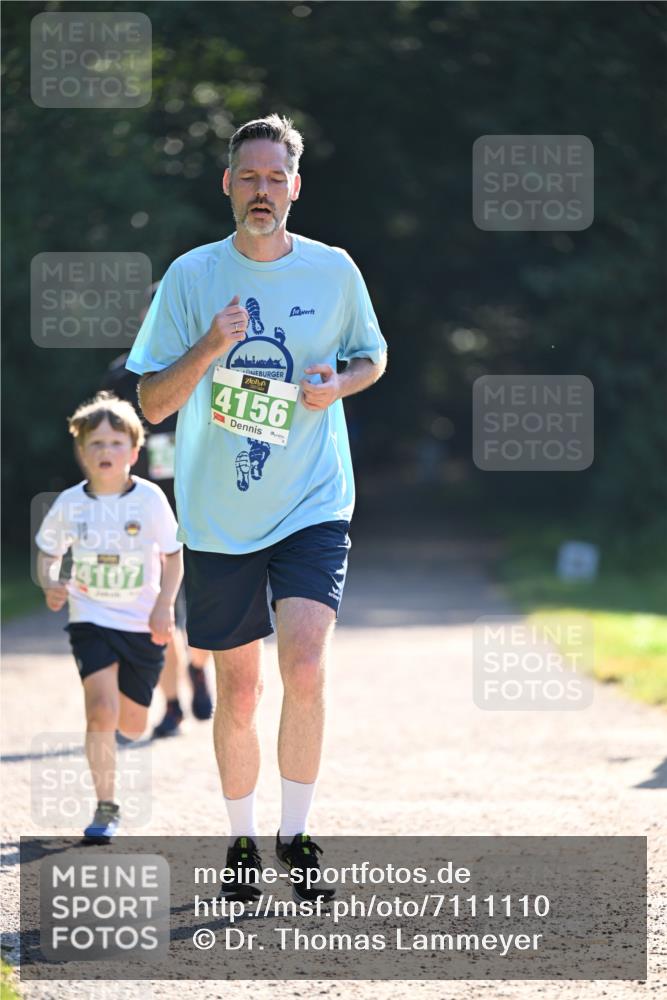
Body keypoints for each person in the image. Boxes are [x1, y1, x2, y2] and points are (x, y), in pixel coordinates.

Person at [126, 114, 387, 900]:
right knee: (239, 690)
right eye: (250, 177)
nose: (262, 191)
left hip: (312, 498)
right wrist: (208, 347)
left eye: (276, 178)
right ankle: (241, 838)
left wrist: (336, 385)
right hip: (219, 516)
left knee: (303, 662)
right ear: (228, 186)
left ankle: (295, 834)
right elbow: (150, 404)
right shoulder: (190, 277)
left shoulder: (333, 271)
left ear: (296, 187)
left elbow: (371, 356)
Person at [35, 391, 183, 842]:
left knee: (132, 726)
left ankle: (138, 714)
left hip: (141, 624)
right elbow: (47, 552)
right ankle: (106, 804)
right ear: (82, 452)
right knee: (100, 711)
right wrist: (51, 583)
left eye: (116, 443)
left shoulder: (151, 500)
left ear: (135, 453)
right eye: (95, 444)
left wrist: (164, 606)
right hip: (90, 618)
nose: (105, 451)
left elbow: (174, 556)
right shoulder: (69, 503)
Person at [102, 283, 213, 738]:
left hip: (200, 501)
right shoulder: (120, 375)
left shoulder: (206, 366)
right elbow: (106, 441)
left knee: (205, 611)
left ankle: (198, 667)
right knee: (158, 609)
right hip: (144, 507)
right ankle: (170, 706)